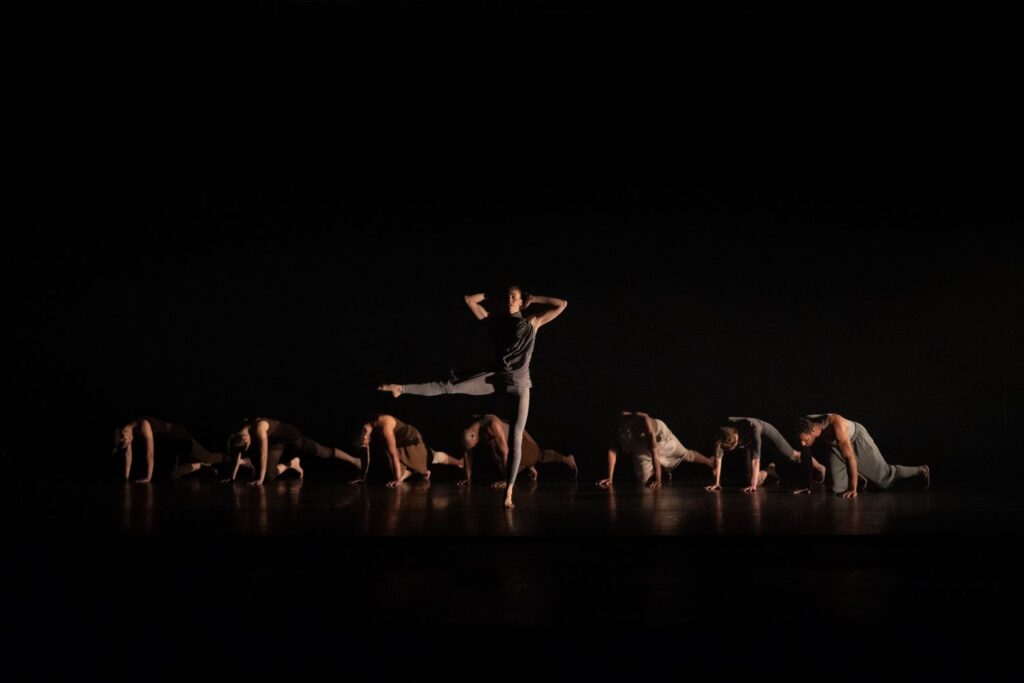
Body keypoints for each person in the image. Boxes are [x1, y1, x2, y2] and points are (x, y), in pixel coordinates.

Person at [379, 285, 567, 508]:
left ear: (520, 300)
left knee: (515, 437)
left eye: (513, 297)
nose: (509, 299)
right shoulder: (494, 320)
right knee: (449, 386)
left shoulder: (532, 322)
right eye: (506, 296)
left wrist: (532, 298)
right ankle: (401, 388)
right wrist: (492, 295)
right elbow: (469, 300)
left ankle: (509, 491)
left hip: (520, 386)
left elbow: (561, 304)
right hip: (495, 379)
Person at [796, 414, 929, 498]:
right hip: (835, 445)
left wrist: (853, 489)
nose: (803, 443)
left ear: (814, 430)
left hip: (857, 439)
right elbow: (806, 455)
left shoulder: (837, 426)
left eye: (805, 440)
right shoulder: (807, 423)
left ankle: (921, 470)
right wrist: (807, 485)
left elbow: (850, 457)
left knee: (884, 478)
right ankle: (860, 477)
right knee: (838, 488)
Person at [224, 418, 360, 486]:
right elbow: (236, 453)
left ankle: (355, 460)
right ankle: (292, 463)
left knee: (323, 453)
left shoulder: (259, 429)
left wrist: (259, 479)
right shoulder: (234, 436)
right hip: (276, 442)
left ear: (246, 439)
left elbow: (263, 454)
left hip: (290, 435)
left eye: (248, 446)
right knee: (268, 476)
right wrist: (232, 476)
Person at [705, 416, 826, 493]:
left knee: (794, 457)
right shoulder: (722, 433)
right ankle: (771, 470)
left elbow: (755, 459)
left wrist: (753, 487)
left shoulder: (753, 427)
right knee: (751, 479)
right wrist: (717, 483)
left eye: (735, 446)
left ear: (736, 439)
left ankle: (820, 467)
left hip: (766, 433)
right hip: (748, 442)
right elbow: (718, 458)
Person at [596, 411, 714, 489]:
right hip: (640, 443)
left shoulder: (644, 422)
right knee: (643, 480)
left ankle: (710, 462)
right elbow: (612, 450)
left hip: (661, 436)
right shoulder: (619, 425)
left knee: (685, 455)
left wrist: (658, 479)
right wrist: (610, 478)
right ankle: (662, 469)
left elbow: (654, 451)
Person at [459, 413, 578, 487]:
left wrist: (508, 481)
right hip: (511, 439)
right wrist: (468, 477)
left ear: (474, 436)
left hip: (520, 439)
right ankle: (527, 464)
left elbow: (506, 453)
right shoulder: (470, 427)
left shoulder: (492, 425)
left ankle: (567, 459)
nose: (474, 447)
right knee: (497, 455)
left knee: (538, 455)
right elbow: (467, 452)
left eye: (473, 445)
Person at [350, 414, 463, 487]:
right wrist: (362, 477)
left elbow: (394, 454)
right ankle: (419, 470)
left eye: (366, 443)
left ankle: (459, 462)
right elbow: (366, 454)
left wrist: (398, 480)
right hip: (400, 444)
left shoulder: (385, 426)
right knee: (397, 470)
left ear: (365, 437)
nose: (367, 444)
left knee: (432, 456)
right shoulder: (365, 429)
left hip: (411, 440)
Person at [113, 417, 221, 483]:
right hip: (169, 443)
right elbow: (128, 454)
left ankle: (233, 459)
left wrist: (148, 477)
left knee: (208, 457)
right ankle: (204, 466)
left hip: (178, 435)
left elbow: (150, 454)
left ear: (126, 435)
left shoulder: (143, 425)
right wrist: (126, 477)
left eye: (127, 444)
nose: (128, 446)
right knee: (173, 475)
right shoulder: (126, 431)